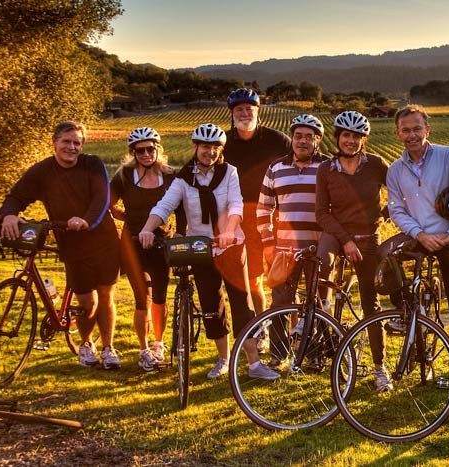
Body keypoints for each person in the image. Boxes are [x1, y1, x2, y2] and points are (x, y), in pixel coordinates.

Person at [138, 123, 279, 381]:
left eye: (215, 148)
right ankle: (223, 359)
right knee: (211, 304)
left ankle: (254, 363)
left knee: (241, 303)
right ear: (196, 148)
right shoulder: (183, 178)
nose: (210, 152)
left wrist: (228, 230)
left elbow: (236, 204)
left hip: (231, 245)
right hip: (201, 247)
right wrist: (147, 229)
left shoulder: (229, 173)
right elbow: (165, 205)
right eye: (205, 147)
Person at [0, 120, 121, 369]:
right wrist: (9, 214)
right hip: (72, 244)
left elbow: (102, 198)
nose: (72, 147)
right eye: (66, 141)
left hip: (104, 240)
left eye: (77, 142)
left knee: (106, 295)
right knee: (87, 302)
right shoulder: (42, 171)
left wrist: (86, 220)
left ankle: (108, 347)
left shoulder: (93, 165)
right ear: (54, 143)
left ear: (83, 145)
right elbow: (16, 195)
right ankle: (87, 344)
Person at [386, 104, 449, 394]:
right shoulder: (395, 170)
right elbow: (396, 209)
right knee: (406, 292)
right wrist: (419, 234)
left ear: (427, 130)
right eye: (406, 130)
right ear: (398, 133)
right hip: (421, 239)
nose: (412, 134)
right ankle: (414, 340)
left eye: (417, 128)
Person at [315, 111, 391, 391]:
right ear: (337, 138)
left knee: (371, 303)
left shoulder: (375, 164)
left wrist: (385, 214)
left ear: (363, 140)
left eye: (357, 136)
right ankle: (326, 330)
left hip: (367, 237)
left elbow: (400, 189)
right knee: (321, 267)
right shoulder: (326, 169)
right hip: (337, 233)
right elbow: (322, 213)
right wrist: (345, 240)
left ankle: (379, 368)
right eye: (346, 135)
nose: (351, 140)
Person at [256, 114, 329, 366]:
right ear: (292, 138)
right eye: (298, 136)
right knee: (280, 302)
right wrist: (267, 243)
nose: (303, 141)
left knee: (315, 303)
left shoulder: (327, 167)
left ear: (318, 140)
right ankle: (278, 354)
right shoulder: (276, 168)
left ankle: (314, 354)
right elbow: (264, 209)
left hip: (318, 248)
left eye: (310, 136)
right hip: (285, 250)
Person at [110, 127, 181, 371]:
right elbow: (109, 204)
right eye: (140, 150)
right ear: (133, 152)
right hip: (132, 244)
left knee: (160, 297)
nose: (146, 153)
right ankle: (143, 349)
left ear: (158, 149)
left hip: (162, 244)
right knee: (142, 299)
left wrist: (178, 231)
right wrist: (126, 218)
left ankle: (158, 343)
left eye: (151, 148)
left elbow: (182, 205)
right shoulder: (124, 175)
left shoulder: (171, 176)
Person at [223, 88, 292, 317]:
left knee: (285, 278)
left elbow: (303, 163)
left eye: (249, 109)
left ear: (257, 111)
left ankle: (294, 332)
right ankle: (261, 327)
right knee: (253, 280)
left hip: (277, 217)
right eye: (239, 109)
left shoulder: (278, 140)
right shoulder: (224, 144)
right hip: (242, 219)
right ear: (232, 114)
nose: (244, 113)